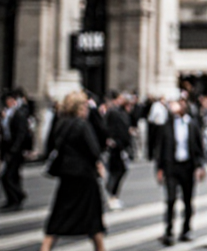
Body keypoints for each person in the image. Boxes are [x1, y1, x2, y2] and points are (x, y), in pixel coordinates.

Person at [40, 90, 106, 251]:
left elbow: (50, 144)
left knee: (58, 217)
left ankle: (45, 248)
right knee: (93, 220)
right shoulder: (82, 125)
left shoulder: (60, 123)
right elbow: (95, 150)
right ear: (80, 107)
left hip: (66, 175)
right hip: (85, 177)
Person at [155, 100, 205, 246]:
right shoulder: (168, 125)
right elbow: (161, 147)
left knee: (188, 200)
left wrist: (200, 166)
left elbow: (198, 146)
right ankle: (169, 230)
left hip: (188, 167)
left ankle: (186, 230)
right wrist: (159, 169)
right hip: (172, 167)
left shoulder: (193, 124)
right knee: (170, 199)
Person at [1, 88, 32, 210]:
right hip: (10, 149)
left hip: (16, 150)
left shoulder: (19, 113)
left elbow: (21, 133)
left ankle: (18, 196)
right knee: (12, 176)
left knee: (8, 176)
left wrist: (16, 149)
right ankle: (13, 199)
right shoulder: (8, 113)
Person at [103, 93, 134, 210]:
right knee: (117, 171)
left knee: (120, 171)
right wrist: (110, 140)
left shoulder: (123, 113)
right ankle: (112, 195)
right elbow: (106, 127)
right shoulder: (115, 112)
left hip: (122, 147)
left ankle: (113, 194)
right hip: (117, 147)